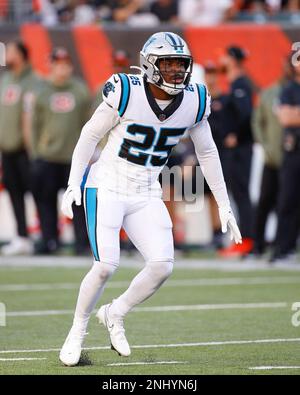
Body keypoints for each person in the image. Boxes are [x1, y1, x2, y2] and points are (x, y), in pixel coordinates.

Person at [59, 32, 242, 366]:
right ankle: (77, 330)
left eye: (181, 64)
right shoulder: (126, 91)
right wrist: (75, 181)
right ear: (148, 64)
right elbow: (90, 134)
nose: (176, 71)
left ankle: (115, 312)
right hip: (108, 185)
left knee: (162, 266)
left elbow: (208, 152)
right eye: (168, 64)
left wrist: (225, 204)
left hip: (146, 190)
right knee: (104, 266)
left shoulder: (195, 99)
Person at [30, 47, 90, 254]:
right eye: (58, 64)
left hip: (74, 158)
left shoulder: (80, 90)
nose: (62, 69)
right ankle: (49, 241)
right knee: (45, 202)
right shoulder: (40, 91)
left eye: (66, 64)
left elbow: (89, 123)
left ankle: (81, 243)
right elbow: (33, 125)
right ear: (51, 66)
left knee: (78, 203)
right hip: (47, 156)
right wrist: (35, 153)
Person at [0, 41, 40, 256]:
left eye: (12, 51)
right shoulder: (6, 79)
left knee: (36, 193)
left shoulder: (34, 81)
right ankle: (21, 236)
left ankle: (42, 235)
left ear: (23, 55)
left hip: (26, 149)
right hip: (7, 148)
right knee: (14, 193)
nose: (7, 54)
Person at [251, 58, 292, 256]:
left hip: (292, 157)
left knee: (288, 203)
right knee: (265, 202)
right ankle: (258, 244)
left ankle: (285, 244)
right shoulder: (269, 93)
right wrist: (264, 144)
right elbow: (257, 122)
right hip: (272, 157)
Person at [218, 45, 255, 257]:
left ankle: (247, 239)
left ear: (232, 59)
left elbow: (245, 113)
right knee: (237, 193)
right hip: (237, 149)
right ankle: (244, 239)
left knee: (241, 194)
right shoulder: (235, 84)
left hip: (240, 149)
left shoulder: (241, 84)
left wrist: (236, 135)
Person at [270, 55, 300, 262]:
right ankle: (282, 247)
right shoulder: (289, 89)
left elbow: (292, 115)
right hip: (294, 151)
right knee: (287, 199)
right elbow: (285, 117)